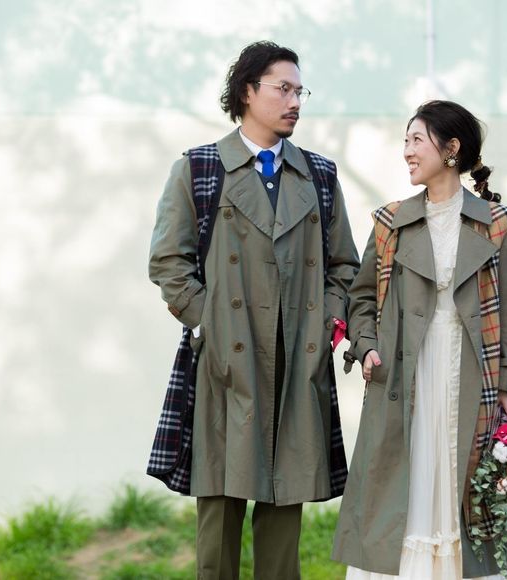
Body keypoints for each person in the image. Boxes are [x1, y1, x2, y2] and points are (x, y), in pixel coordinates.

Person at [147, 41, 359, 580]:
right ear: (247, 92)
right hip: (228, 360)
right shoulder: (200, 168)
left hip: (297, 360)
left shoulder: (319, 174)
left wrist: (326, 324)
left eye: (300, 91)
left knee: (284, 517)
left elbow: (344, 266)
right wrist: (208, 321)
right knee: (218, 513)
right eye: (283, 89)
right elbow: (169, 261)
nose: (295, 102)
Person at [332, 100, 507, 579]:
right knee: (402, 489)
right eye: (406, 140)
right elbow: (360, 298)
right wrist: (365, 344)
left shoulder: (496, 222)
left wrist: (505, 384)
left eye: (417, 139)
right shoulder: (390, 222)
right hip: (403, 374)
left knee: (465, 488)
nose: (407, 151)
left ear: (451, 148)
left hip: (469, 375)